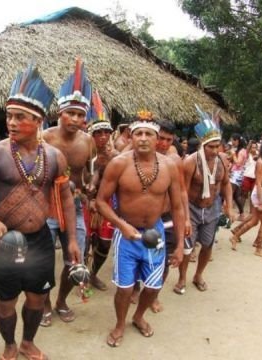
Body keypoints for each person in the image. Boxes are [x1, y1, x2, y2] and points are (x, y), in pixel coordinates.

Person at [0, 63, 79, 360]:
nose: (12, 123)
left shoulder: (54, 157)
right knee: (6, 301)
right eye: (9, 116)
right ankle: (10, 345)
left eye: (20, 117)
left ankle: (27, 342)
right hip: (6, 241)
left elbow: (66, 197)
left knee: (37, 297)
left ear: (38, 121)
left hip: (40, 239)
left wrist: (72, 241)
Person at [95, 111, 184, 347]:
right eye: (138, 133)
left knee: (154, 285)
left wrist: (181, 245)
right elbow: (101, 202)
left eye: (148, 134)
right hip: (127, 234)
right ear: (131, 137)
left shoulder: (169, 167)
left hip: (155, 233)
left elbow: (177, 206)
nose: (143, 138)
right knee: (124, 288)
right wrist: (121, 225)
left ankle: (138, 316)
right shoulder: (118, 164)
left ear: (157, 139)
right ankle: (120, 324)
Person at [41, 57, 94, 325]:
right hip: (46, 207)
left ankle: (61, 300)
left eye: (80, 115)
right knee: (42, 260)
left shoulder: (88, 142)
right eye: (70, 113)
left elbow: (85, 174)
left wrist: (87, 188)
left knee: (76, 260)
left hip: (74, 208)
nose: (74, 119)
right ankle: (46, 303)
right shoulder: (45, 138)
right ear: (59, 113)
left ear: (86, 118)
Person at [175, 108, 233, 294]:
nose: (215, 150)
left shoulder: (223, 160)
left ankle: (198, 275)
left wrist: (229, 206)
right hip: (191, 207)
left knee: (208, 244)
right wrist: (184, 218)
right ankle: (182, 278)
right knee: (187, 247)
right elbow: (183, 190)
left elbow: (226, 184)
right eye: (211, 147)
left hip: (212, 207)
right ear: (202, 144)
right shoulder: (191, 162)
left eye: (218, 146)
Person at [149, 119, 191, 312]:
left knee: (165, 260)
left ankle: (153, 295)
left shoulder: (174, 162)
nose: (164, 144)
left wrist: (187, 218)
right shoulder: (137, 157)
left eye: (168, 139)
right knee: (140, 257)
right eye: (161, 138)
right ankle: (135, 290)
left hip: (166, 217)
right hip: (143, 218)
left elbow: (182, 192)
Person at [85, 92, 119, 292]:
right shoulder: (83, 152)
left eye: (106, 132)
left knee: (104, 244)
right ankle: (81, 273)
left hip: (107, 203)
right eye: (98, 133)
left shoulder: (116, 156)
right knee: (85, 242)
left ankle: (93, 274)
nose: (103, 137)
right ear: (91, 134)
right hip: (85, 203)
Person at [230, 140, 262, 257]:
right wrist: (261, 201)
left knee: (254, 221)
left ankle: (235, 236)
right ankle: (258, 249)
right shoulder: (261, 163)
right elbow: (259, 183)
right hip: (260, 194)